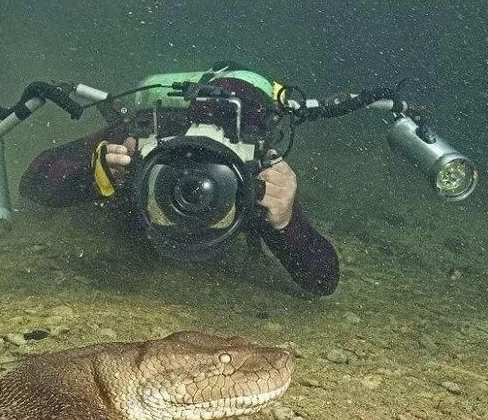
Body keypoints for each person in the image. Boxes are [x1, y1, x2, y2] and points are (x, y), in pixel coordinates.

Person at [18, 70, 340, 297]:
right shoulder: (143, 141)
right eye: (183, 161)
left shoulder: (253, 174)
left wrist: (285, 219)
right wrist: (94, 175)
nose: (196, 181)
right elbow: (34, 182)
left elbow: (322, 279)